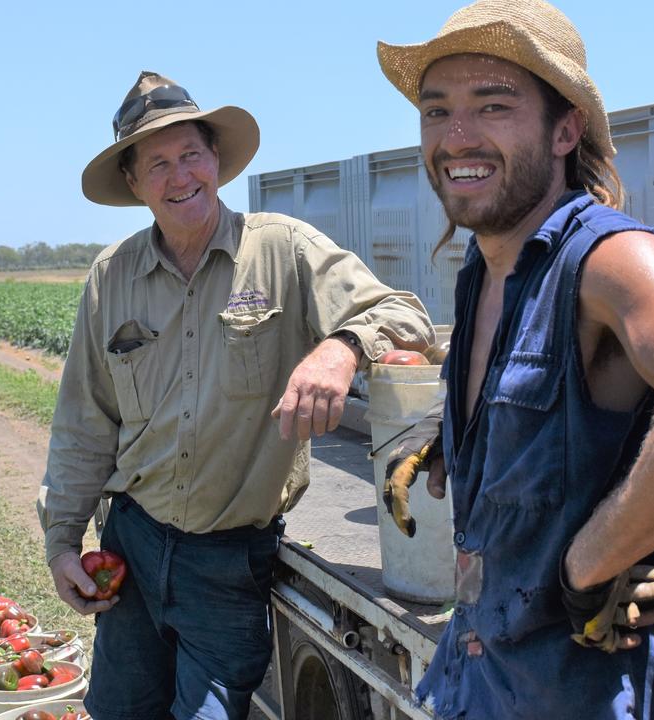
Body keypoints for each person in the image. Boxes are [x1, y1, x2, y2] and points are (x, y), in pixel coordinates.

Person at [374, 2, 654, 718]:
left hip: (572, 692)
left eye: (493, 106)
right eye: (436, 112)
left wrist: (590, 561)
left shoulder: (609, 258)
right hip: (477, 670)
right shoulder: (483, 268)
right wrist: (457, 439)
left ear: (565, 129)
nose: (457, 137)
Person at [37, 71, 433, 720]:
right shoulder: (112, 278)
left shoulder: (283, 250)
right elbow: (84, 422)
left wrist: (340, 350)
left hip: (227, 563)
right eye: (157, 163)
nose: (180, 175)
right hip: (132, 546)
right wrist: (60, 543)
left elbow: (404, 316)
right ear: (134, 184)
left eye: (191, 154)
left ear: (216, 160)